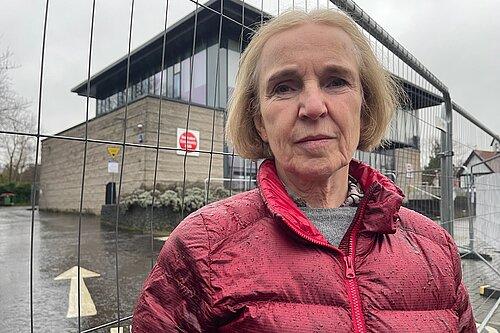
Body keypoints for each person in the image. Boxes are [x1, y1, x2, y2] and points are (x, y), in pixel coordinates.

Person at [132, 9, 476, 333]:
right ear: (259, 121)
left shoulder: (437, 249)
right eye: (284, 87)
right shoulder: (201, 247)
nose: (313, 107)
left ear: (364, 109)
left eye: (336, 81)